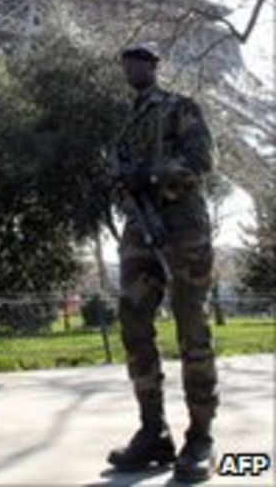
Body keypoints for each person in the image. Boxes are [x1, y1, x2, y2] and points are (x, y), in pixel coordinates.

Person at [107, 44, 218, 483]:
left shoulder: (178, 107)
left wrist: (148, 175)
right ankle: (154, 431)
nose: (131, 68)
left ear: (154, 67)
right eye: (126, 63)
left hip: (182, 226)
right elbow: (122, 182)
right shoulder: (127, 128)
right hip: (139, 233)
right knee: (132, 322)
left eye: (139, 61)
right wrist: (120, 186)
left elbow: (201, 161)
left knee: (191, 325)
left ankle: (201, 437)